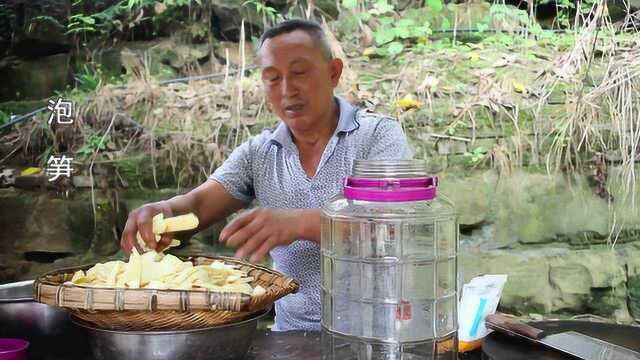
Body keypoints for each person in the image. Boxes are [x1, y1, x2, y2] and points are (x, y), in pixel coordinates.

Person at [120, 19, 412, 331]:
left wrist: (298, 223)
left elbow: (391, 224)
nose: (287, 90)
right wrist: (163, 213)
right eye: (273, 79)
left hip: (380, 335)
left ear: (333, 73)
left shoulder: (378, 135)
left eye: (300, 73)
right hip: (292, 335)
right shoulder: (259, 154)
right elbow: (198, 207)